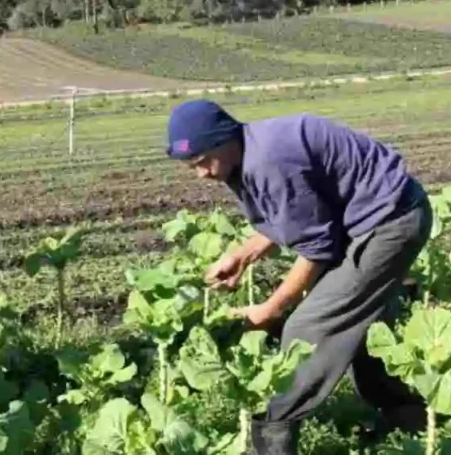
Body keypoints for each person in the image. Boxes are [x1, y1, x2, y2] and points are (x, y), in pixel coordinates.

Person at [165, 99, 432, 454]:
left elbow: (317, 249)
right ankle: (409, 422)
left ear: (223, 138)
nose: (201, 173)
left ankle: (275, 434)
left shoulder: (269, 161)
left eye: (202, 161)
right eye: (192, 166)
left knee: (308, 330)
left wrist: (271, 308)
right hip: (364, 221)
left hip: (390, 222)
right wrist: (241, 256)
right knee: (361, 326)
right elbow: (290, 216)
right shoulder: (245, 153)